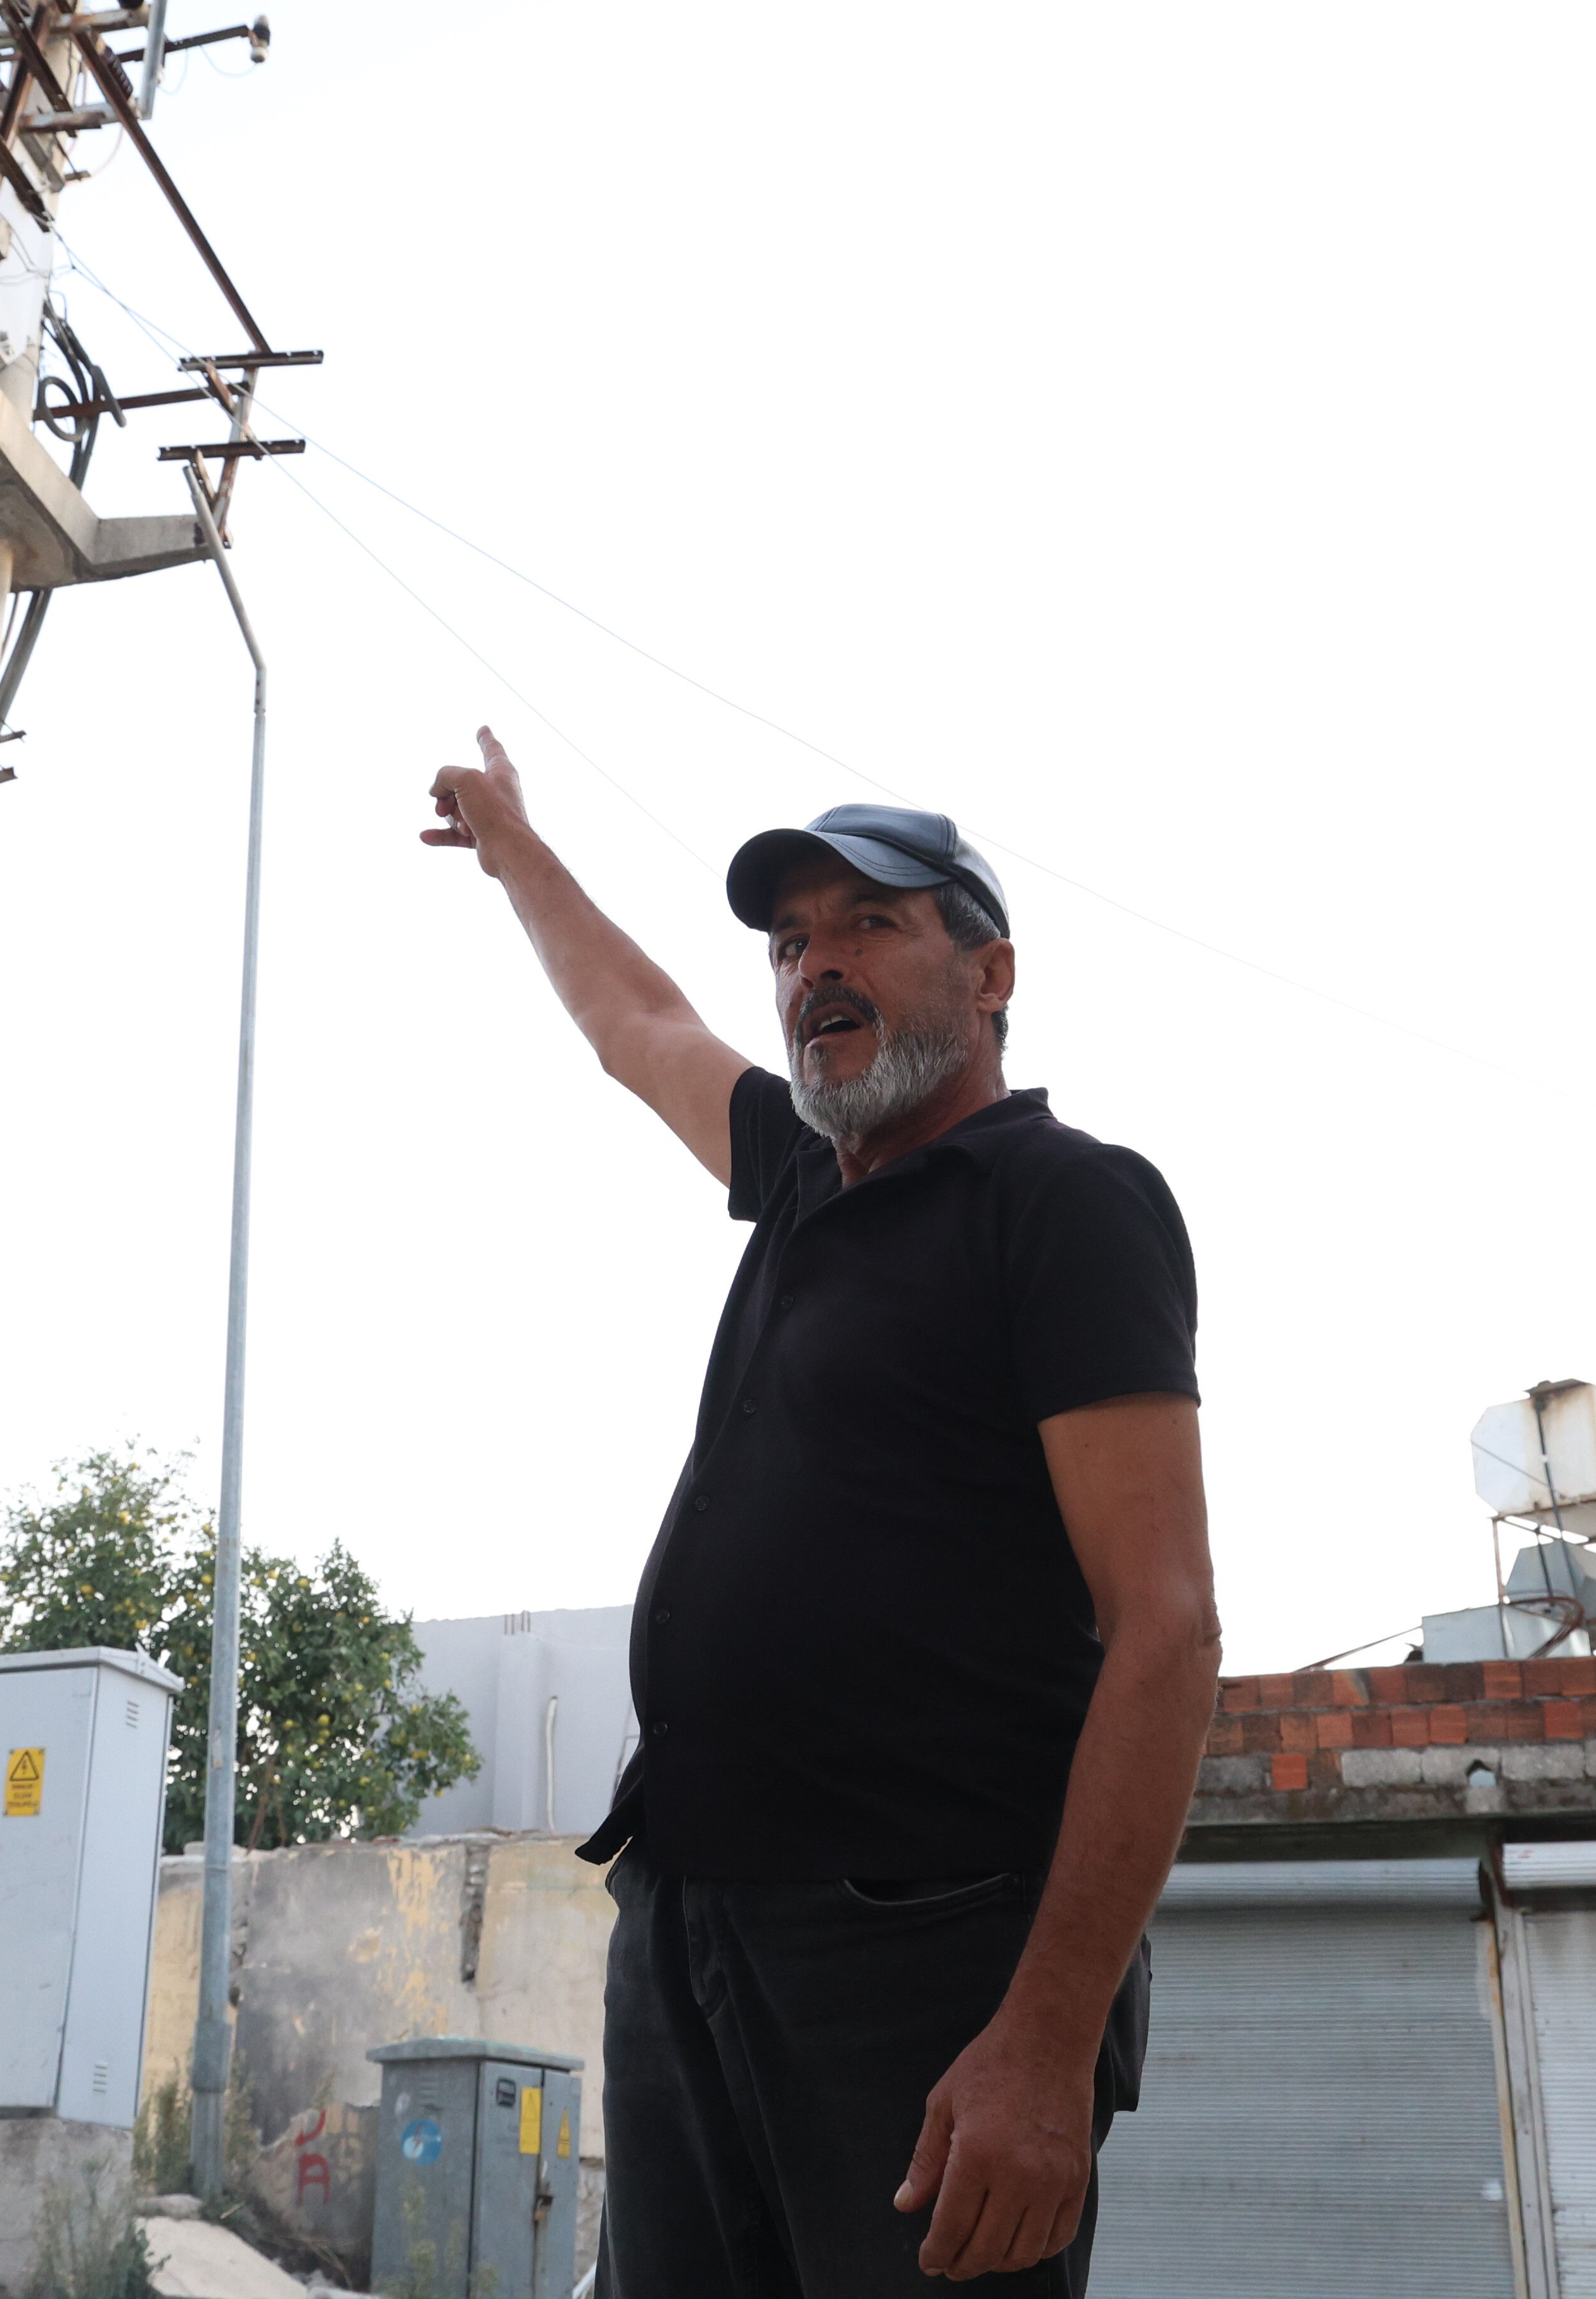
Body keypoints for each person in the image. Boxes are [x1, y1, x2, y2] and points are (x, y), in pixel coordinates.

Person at [421, 731, 1223, 2295]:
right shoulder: (800, 1183)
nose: (814, 967)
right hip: (686, 1921)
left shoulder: (1063, 1200)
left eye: (870, 922)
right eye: (792, 942)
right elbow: (634, 1018)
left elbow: (1169, 1626)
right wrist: (516, 847)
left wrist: (1047, 2043)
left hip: (918, 1949)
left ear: (990, 972)